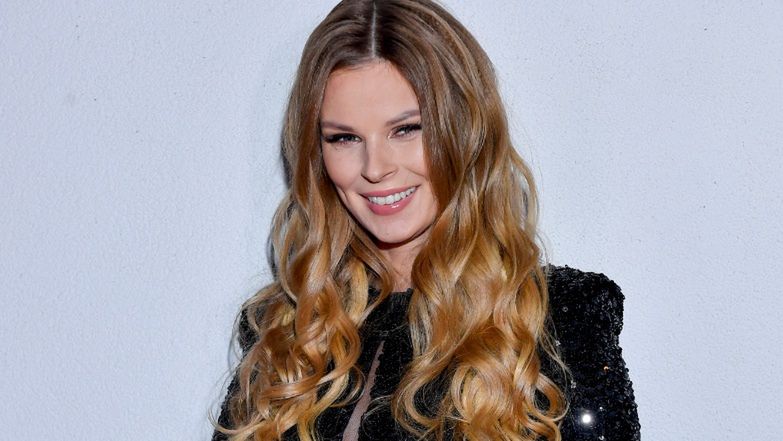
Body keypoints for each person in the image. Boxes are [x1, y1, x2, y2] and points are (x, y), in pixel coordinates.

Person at [212, 1, 640, 440]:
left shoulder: (559, 321)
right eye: (344, 137)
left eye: (406, 129)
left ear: (464, 130)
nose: (375, 167)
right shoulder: (285, 334)